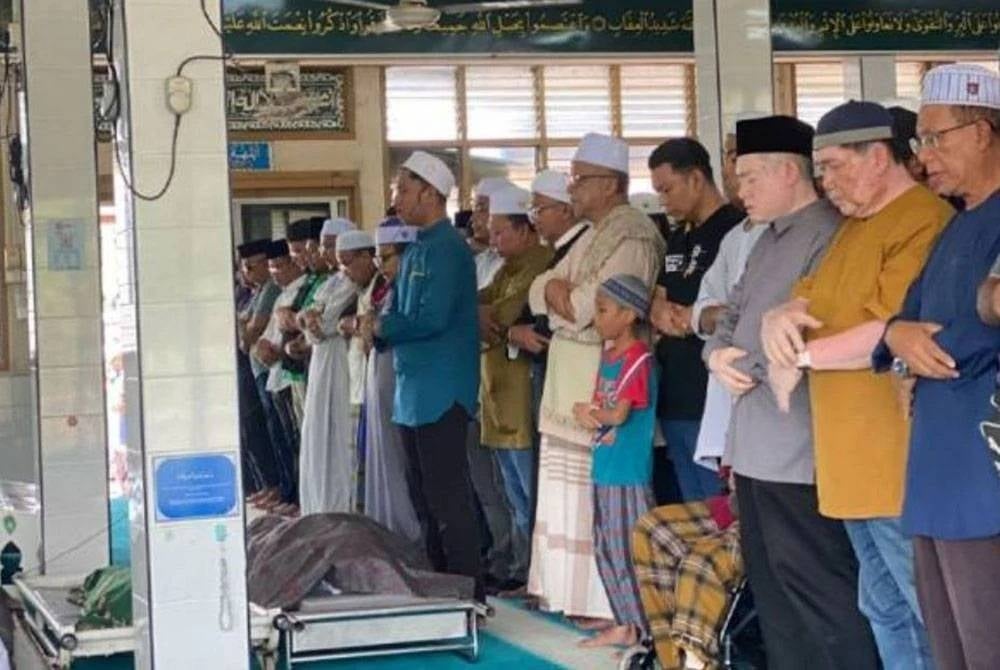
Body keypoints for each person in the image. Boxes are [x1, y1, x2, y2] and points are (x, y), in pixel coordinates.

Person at [764, 100, 951, 670]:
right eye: (820, 170)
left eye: (836, 166)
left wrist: (800, 359)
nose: (826, 182)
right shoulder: (852, 229)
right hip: (849, 461)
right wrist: (777, 319)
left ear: (878, 157)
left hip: (896, 460)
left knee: (927, 612)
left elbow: (891, 327)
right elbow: (807, 299)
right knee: (884, 606)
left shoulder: (924, 219)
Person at [704, 115, 879, 669]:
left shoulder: (830, 232)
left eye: (752, 178)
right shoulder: (761, 240)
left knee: (821, 595)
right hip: (754, 446)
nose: (741, 191)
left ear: (789, 171)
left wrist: (745, 359)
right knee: (773, 592)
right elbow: (732, 314)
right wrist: (716, 354)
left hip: (802, 448)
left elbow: (816, 325)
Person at [873, 63, 1000, 670]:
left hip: (987, 467)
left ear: (982, 131)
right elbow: (905, 317)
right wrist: (898, 336)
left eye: (936, 138)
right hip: (935, 468)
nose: (925, 158)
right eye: (920, 142)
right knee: (951, 643)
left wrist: (930, 344)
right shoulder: (957, 225)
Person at [526, 133, 664, 625]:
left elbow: (588, 310)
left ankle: (610, 609)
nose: (574, 190)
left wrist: (562, 297)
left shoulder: (632, 235)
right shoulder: (593, 232)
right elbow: (538, 291)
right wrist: (558, 294)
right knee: (567, 495)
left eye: (580, 181)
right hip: (571, 372)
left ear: (611, 184)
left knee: (601, 506)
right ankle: (571, 595)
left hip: (599, 377)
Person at [375, 150, 485, 602]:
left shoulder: (449, 249)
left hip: (442, 390)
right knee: (422, 497)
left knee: (448, 498)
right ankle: (439, 586)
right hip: (411, 390)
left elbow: (433, 317)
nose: (397, 198)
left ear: (429, 193)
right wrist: (380, 325)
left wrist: (382, 327)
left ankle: (468, 592)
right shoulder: (416, 246)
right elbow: (396, 309)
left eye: (403, 189)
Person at [648, 138, 744, 502]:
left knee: (719, 505)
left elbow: (733, 306)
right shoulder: (677, 237)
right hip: (675, 392)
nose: (663, 201)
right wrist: (666, 315)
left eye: (668, 189)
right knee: (692, 508)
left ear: (696, 179)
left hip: (712, 393)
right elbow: (657, 298)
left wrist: (692, 318)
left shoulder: (734, 231)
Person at [572, 274, 657, 648]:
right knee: (607, 545)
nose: (598, 318)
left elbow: (619, 414)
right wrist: (588, 412)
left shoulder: (639, 359)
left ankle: (640, 627)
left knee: (627, 549)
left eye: (604, 310)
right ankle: (624, 620)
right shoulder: (609, 356)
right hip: (605, 465)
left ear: (628, 315)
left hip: (626, 471)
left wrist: (585, 411)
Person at [478, 185, 554, 589]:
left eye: (500, 232)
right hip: (496, 392)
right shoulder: (504, 267)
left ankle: (534, 573)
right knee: (511, 493)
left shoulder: (538, 263)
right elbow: (478, 307)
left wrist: (493, 323)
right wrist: (493, 322)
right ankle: (521, 567)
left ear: (525, 230)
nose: (493, 241)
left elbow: (501, 313)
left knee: (530, 493)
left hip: (520, 393)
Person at [360, 219, 422, 545]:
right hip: (381, 375)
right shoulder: (388, 289)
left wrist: (375, 325)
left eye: (387, 258)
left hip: (403, 381)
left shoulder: (413, 289)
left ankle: (410, 533)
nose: (381, 267)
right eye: (378, 259)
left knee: (403, 459)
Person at [296, 222, 365, 516]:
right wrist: (306, 318)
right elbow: (308, 316)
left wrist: (312, 319)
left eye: (332, 244)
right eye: (324, 245)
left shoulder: (353, 284)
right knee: (318, 434)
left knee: (339, 435)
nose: (326, 251)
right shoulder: (331, 281)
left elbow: (324, 324)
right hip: (322, 365)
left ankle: (340, 508)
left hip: (343, 363)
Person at [252, 239, 311, 515]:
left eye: (280, 265)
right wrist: (262, 347)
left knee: (298, 440)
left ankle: (297, 497)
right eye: (272, 267)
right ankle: (288, 492)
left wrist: (274, 349)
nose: (276, 272)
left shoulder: (304, 289)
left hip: (292, 375)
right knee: (283, 439)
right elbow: (262, 338)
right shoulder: (281, 294)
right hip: (275, 376)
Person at [235, 239, 282, 507]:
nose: (246, 274)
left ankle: (281, 488)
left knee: (272, 431)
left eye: (251, 267)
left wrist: (244, 327)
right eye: (244, 268)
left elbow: (247, 335)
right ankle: (270, 485)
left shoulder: (271, 290)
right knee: (258, 431)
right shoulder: (252, 293)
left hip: (268, 369)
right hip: (254, 369)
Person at [471, 177, 512, 289]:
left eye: (481, 209)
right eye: (474, 209)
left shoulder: (514, 263)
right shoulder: (480, 261)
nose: (473, 217)